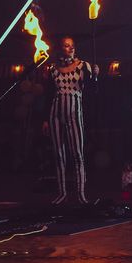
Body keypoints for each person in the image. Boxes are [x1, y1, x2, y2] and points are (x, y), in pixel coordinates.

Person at [38, 35, 98, 205]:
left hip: (74, 113)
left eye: (72, 45)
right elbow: (48, 94)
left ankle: (80, 194)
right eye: (66, 45)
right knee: (58, 154)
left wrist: (95, 75)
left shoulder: (82, 66)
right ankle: (62, 193)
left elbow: (93, 90)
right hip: (55, 113)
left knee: (77, 154)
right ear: (60, 48)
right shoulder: (52, 69)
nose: (70, 48)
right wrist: (44, 119)